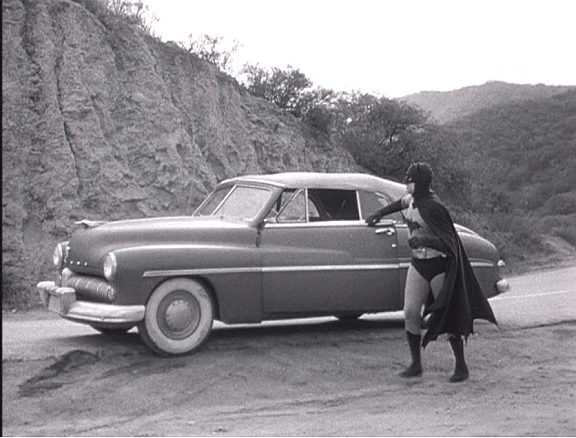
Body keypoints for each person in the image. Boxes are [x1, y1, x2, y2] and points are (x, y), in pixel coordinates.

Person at [366, 162, 497, 382]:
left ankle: (461, 365)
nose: (407, 184)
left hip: (438, 265)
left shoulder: (434, 207)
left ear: (420, 184)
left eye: (410, 181)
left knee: (448, 315)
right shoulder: (414, 201)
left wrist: (425, 239)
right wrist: (379, 213)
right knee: (410, 312)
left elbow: (449, 244)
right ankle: (416, 363)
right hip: (419, 264)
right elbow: (400, 203)